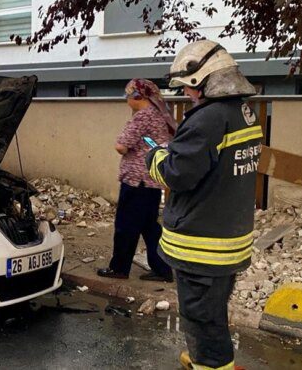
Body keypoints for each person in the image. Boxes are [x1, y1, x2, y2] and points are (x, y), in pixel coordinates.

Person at [146, 40, 261, 370]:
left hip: (201, 246)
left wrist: (157, 156)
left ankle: (210, 364)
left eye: (188, 87)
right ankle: (205, 358)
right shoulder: (243, 113)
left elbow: (176, 174)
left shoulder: (207, 119)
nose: (186, 94)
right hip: (229, 240)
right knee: (213, 312)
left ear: (204, 80)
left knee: (201, 317)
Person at [97, 78, 177, 282]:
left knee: (126, 226)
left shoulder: (142, 117)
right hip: (152, 180)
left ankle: (119, 268)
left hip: (136, 180)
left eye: (127, 94)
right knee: (149, 227)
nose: (126, 98)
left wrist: (130, 146)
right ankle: (162, 268)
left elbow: (121, 146)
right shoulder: (160, 115)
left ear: (137, 96)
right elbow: (155, 144)